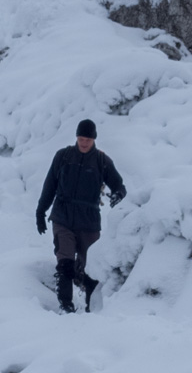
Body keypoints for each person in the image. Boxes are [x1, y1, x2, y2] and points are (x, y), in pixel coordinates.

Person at [36, 120, 126, 313]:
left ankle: (90, 308)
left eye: (88, 139)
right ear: (76, 137)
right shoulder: (63, 156)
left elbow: (119, 186)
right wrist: (40, 212)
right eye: (81, 138)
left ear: (94, 139)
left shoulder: (102, 161)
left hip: (89, 221)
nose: (84, 143)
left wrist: (118, 195)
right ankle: (65, 305)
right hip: (63, 216)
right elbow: (49, 185)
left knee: (91, 269)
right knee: (65, 261)